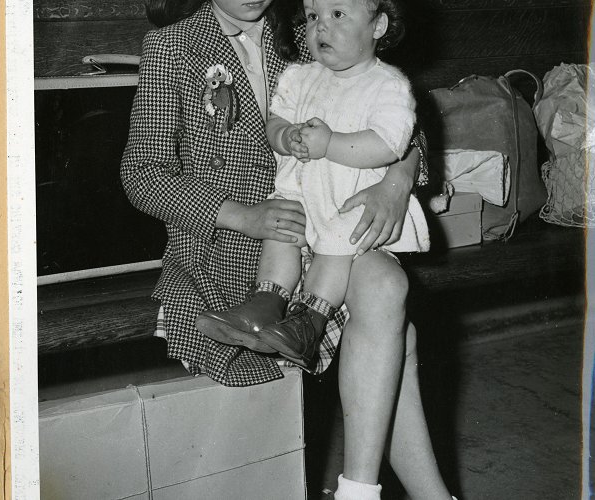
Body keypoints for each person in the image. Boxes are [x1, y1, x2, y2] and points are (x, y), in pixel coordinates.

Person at [121, 0, 456, 498]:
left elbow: (400, 116)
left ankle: (361, 489)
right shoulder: (172, 46)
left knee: (388, 286)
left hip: (325, 224)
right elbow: (141, 174)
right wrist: (243, 215)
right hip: (234, 249)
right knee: (389, 311)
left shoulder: (306, 30)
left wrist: (398, 179)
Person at [196, 0, 430, 372]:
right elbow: (275, 121)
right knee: (283, 227)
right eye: (312, 17)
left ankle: (309, 320)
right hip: (290, 198)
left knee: (342, 242)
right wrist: (285, 136)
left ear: (379, 25)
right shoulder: (302, 73)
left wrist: (387, 175)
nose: (320, 26)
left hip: (347, 199)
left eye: (337, 15)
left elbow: (396, 140)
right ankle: (266, 303)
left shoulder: (386, 82)